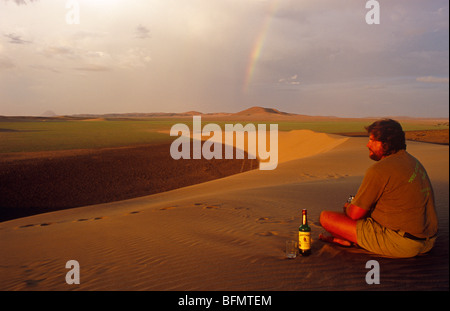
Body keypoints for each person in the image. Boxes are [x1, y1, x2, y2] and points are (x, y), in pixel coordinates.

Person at [319, 119, 438, 258]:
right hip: (428, 241)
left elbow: (355, 214)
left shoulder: (379, 170)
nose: (367, 144)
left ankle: (350, 240)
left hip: (403, 243)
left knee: (326, 218)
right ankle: (350, 239)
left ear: (385, 144)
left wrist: (348, 207)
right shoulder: (413, 161)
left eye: (372, 140)